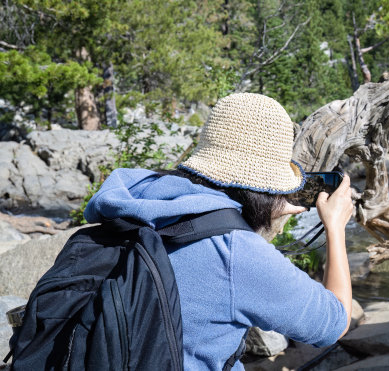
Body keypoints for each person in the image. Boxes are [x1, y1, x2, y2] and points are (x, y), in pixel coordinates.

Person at [83, 93, 353, 370]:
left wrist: (258, 215)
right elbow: (335, 322)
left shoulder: (136, 201)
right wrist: (335, 227)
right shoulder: (237, 253)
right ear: (270, 187)